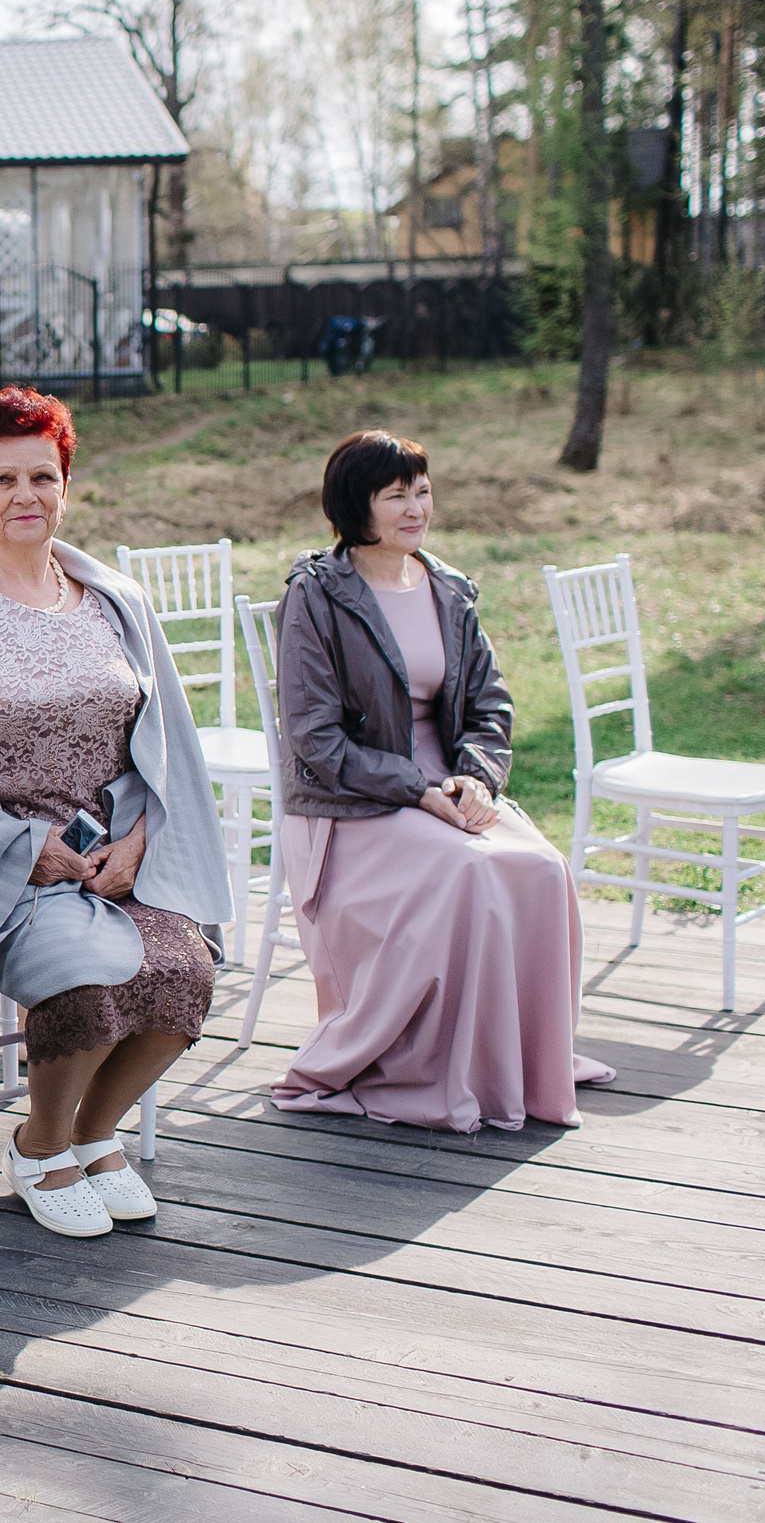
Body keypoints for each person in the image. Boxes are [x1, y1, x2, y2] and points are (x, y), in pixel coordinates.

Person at [0, 387, 232, 1241]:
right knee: (82, 974)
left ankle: (91, 1136)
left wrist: (142, 840)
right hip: (4, 860)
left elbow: (168, 744)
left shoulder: (114, 599)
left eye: (43, 475)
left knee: (191, 972)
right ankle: (38, 1146)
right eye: (2, 480)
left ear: (65, 484)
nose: (24, 495)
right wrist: (20, 846)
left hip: (121, 855)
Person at [271, 430, 615, 1132]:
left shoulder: (449, 589)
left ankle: (521, 1061)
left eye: (422, 490)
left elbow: (492, 707)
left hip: (447, 792)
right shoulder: (316, 596)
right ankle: (441, 1069)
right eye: (395, 494)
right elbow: (315, 738)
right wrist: (417, 790)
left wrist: (477, 779)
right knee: (470, 873)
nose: (415, 506)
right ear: (353, 505)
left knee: (543, 868)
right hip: (353, 806)